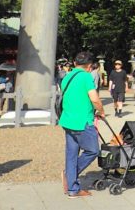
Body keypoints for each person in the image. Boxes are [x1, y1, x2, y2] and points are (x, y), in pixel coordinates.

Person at [59, 51, 105, 199]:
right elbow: (95, 99)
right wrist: (101, 111)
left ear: (74, 63)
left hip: (67, 120)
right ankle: (69, 175)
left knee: (71, 154)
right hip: (82, 121)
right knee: (93, 150)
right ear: (90, 66)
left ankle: (73, 189)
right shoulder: (86, 77)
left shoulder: (67, 76)